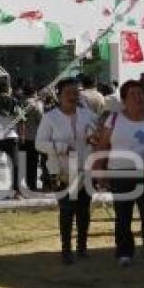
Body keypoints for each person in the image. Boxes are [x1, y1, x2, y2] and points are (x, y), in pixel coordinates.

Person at [96, 80, 144, 270]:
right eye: (132, 94)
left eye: (140, 93)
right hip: (119, 172)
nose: (137, 98)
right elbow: (102, 146)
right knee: (123, 215)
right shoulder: (113, 119)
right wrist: (99, 170)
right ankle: (124, 252)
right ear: (124, 100)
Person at [36, 79, 97, 264]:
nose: (73, 96)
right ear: (59, 95)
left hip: (85, 168)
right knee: (67, 210)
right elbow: (39, 143)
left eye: (76, 92)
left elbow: (97, 136)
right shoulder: (50, 117)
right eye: (68, 92)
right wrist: (61, 147)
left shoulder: (88, 115)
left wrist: (94, 139)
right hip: (61, 170)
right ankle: (66, 250)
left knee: (84, 209)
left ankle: (82, 246)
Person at [19, 85, 44, 192]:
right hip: (34, 137)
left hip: (22, 136)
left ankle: (21, 185)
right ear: (34, 92)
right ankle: (32, 185)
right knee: (33, 163)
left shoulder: (20, 103)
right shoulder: (37, 104)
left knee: (22, 162)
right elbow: (41, 120)